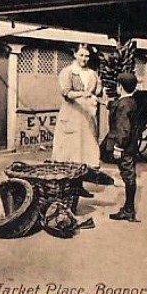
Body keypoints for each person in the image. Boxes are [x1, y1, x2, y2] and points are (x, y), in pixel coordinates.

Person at [52, 44, 102, 191]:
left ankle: (78, 186)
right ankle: (66, 188)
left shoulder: (92, 73)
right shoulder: (68, 72)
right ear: (75, 54)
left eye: (87, 56)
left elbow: (97, 91)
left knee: (84, 153)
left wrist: (99, 90)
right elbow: (66, 93)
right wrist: (82, 93)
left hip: (86, 117)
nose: (84, 59)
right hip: (71, 115)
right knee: (70, 153)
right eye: (81, 55)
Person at [105, 72, 139, 222]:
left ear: (120, 86)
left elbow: (124, 129)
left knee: (128, 175)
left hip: (124, 147)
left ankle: (129, 210)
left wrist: (118, 147)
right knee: (129, 174)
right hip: (131, 145)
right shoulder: (130, 101)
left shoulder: (123, 105)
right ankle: (128, 208)